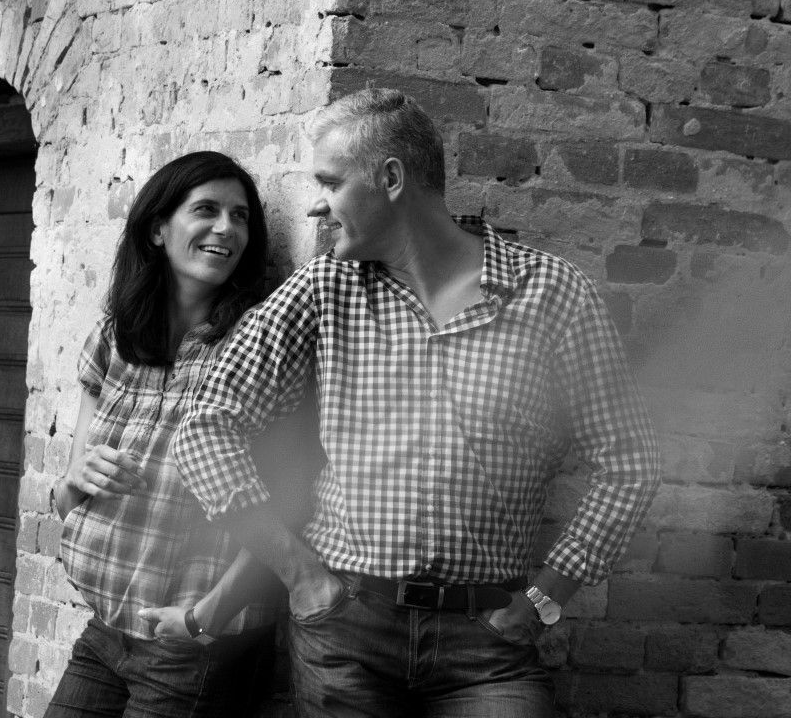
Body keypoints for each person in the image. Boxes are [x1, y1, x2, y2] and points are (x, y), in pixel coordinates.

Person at [172, 89, 662, 717]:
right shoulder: (327, 288)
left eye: (330, 182)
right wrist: (299, 573)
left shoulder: (550, 293)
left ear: (391, 178)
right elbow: (206, 425)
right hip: (345, 629)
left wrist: (545, 600)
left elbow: (629, 462)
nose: (316, 205)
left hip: (489, 640)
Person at [46, 151, 296, 718]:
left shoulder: (257, 347)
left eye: (240, 216)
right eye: (205, 210)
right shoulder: (116, 337)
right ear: (158, 229)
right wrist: (77, 478)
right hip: (106, 628)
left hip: (194, 645)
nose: (226, 229)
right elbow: (66, 502)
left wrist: (206, 616)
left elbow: (288, 500)